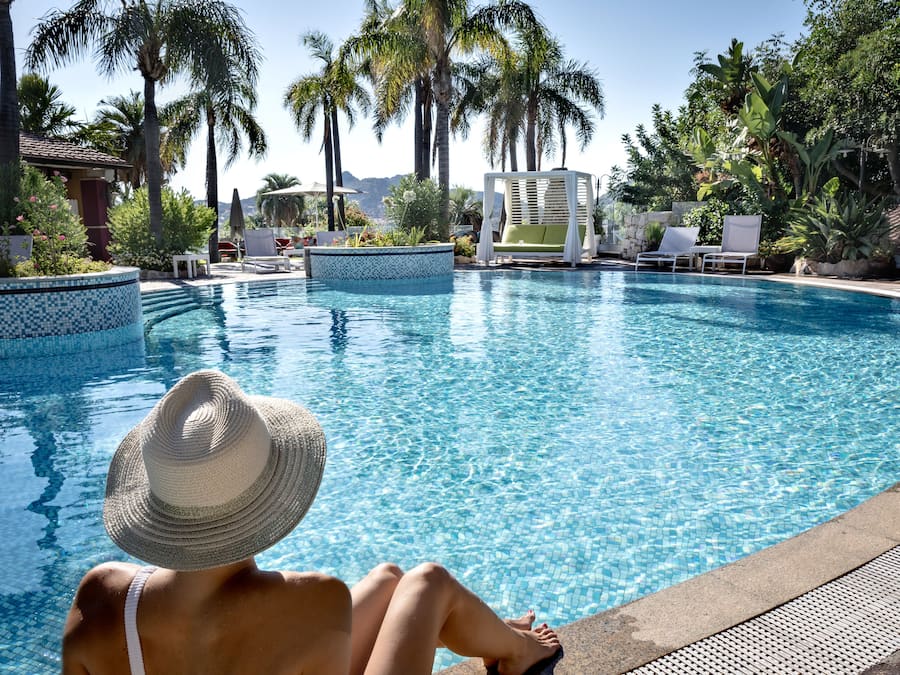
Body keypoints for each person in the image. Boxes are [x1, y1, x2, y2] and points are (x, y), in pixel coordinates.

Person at [62, 370, 561, 674]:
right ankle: (518, 652)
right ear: (268, 490)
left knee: (389, 580)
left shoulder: (99, 597)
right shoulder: (313, 601)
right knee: (427, 584)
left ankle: (495, 632)